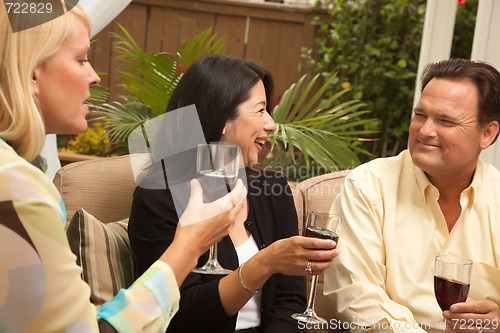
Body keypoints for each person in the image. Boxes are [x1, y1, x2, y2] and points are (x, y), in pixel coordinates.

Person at [0, 3, 247, 332]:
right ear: (31, 71)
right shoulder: (15, 185)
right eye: (81, 59)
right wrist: (190, 243)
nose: (95, 76)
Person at [128, 54, 339, 333]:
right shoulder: (158, 199)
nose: (272, 125)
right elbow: (183, 316)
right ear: (221, 118)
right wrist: (265, 263)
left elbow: (290, 302)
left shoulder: (272, 192)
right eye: (260, 110)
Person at [324, 58, 500, 333]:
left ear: (487, 133)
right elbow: (357, 299)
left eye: (445, 120)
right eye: (420, 115)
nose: (425, 130)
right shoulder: (368, 187)